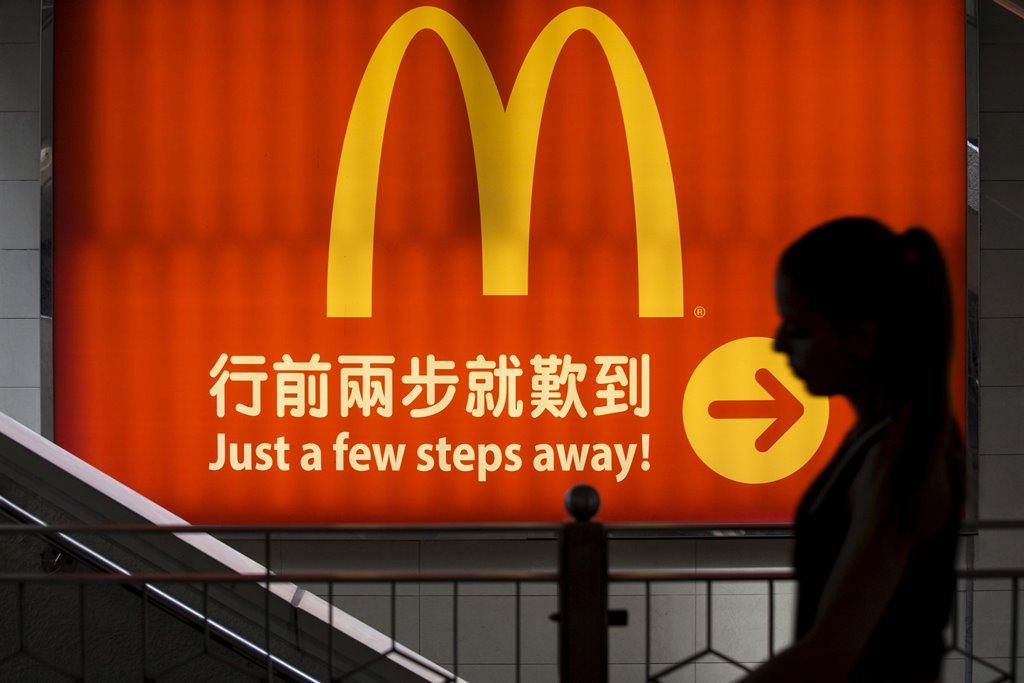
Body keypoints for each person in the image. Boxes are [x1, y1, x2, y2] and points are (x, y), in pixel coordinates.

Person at [741, 217, 965, 683]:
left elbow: (826, 659)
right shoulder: (886, 440)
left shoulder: (898, 458)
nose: (780, 344)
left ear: (862, 338)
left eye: (799, 329)